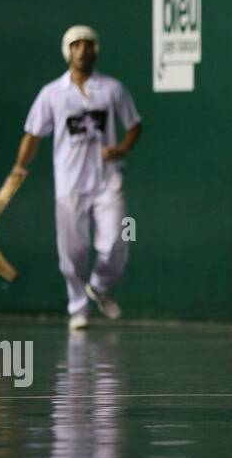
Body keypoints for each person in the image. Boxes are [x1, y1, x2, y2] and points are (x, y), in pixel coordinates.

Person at [8, 26, 142, 330]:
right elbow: (33, 134)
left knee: (117, 241)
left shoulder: (113, 89)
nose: (82, 50)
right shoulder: (51, 94)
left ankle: (101, 286)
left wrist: (122, 149)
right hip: (69, 185)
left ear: (96, 50)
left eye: (88, 45)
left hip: (108, 180)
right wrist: (19, 166)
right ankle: (78, 308)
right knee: (73, 253)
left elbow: (135, 124)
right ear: (68, 52)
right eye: (76, 45)